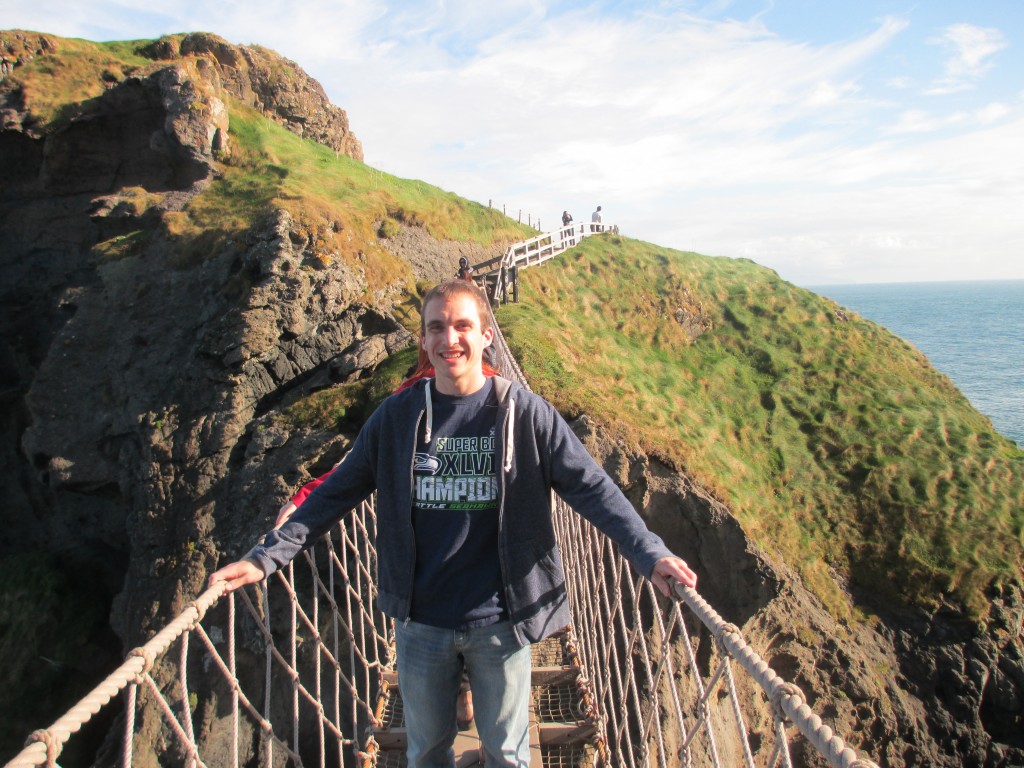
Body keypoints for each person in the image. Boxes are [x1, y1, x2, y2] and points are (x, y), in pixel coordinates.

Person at [210, 280, 698, 768]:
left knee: (508, 756)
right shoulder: (396, 418)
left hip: (503, 622)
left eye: (463, 326)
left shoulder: (526, 415)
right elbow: (338, 491)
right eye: (437, 328)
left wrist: (648, 552)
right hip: (422, 624)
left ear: (487, 335)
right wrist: (265, 557)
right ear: (423, 341)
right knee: (426, 755)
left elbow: (592, 488)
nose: (450, 340)